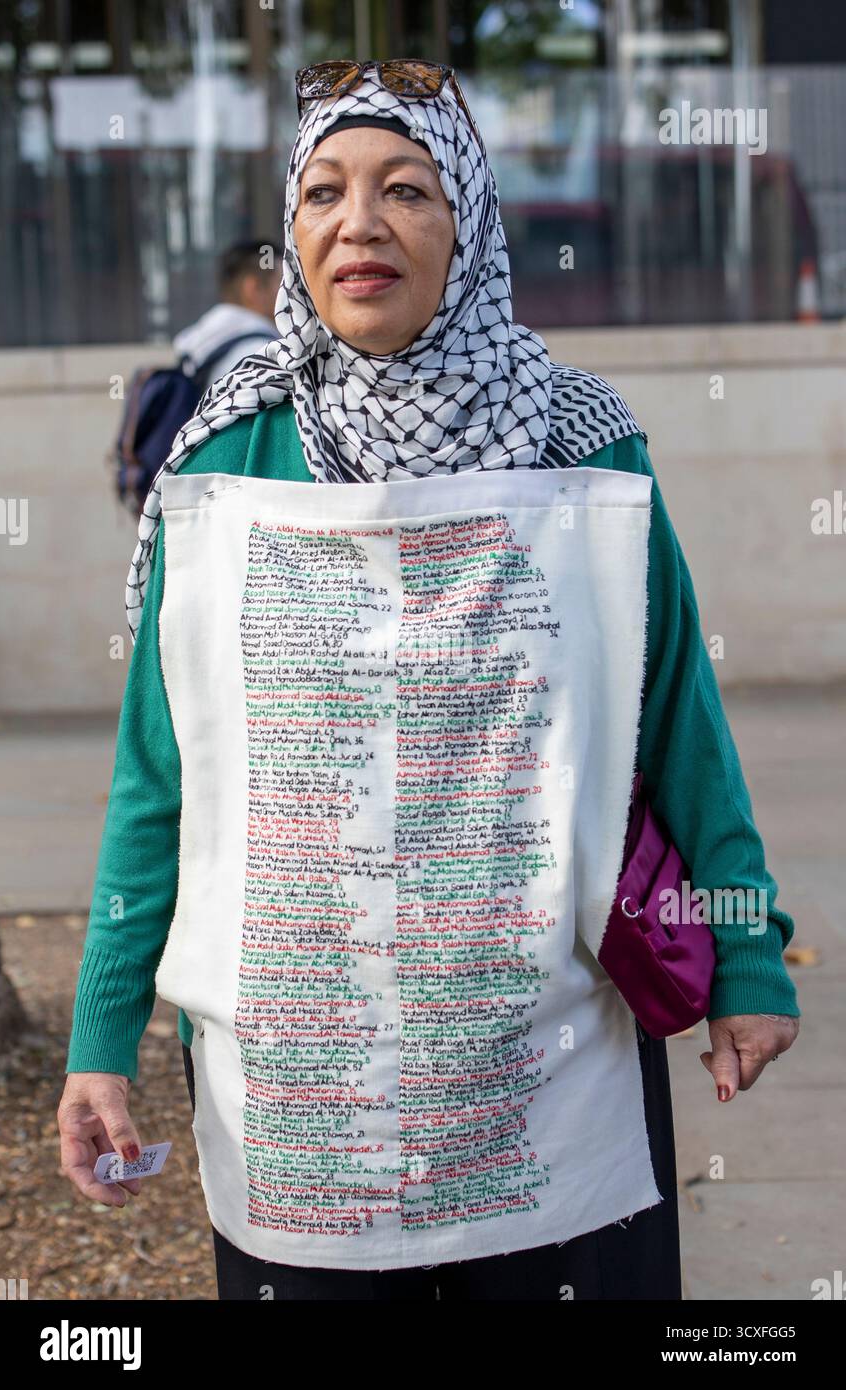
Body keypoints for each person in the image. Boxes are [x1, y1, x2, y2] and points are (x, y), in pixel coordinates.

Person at [59, 60, 800, 1302]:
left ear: (467, 222)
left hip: (546, 1065)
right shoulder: (229, 455)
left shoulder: (577, 441)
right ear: (290, 233)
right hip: (298, 1102)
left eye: (405, 188)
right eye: (323, 193)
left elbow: (675, 719)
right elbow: (157, 781)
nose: (360, 223)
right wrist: (100, 1042)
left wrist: (747, 958)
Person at [172, 238, 283, 390]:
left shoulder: (200, 343)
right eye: (283, 281)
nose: (291, 291)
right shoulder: (263, 357)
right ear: (254, 289)